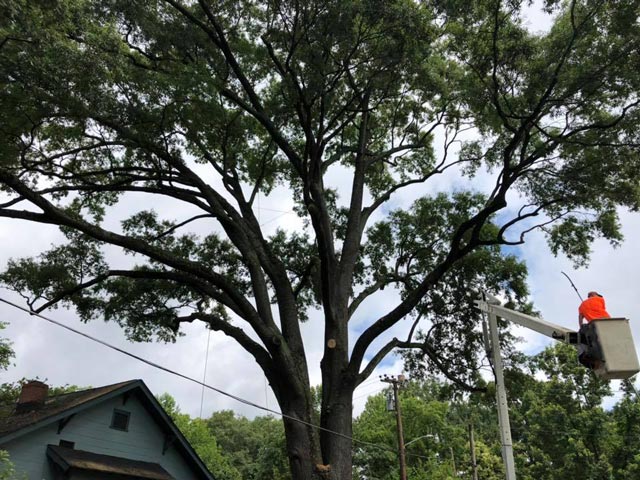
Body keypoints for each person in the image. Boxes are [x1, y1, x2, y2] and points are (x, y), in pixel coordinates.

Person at [577, 291, 611, 369]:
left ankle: (593, 361)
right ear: (593, 295)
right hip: (607, 322)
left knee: (586, 340)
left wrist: (581, 327)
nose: (599, 296)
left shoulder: (581, 306)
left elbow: (580, 318)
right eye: (597, 295)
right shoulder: (600, 299)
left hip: (594, 325)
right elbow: (601, 307)